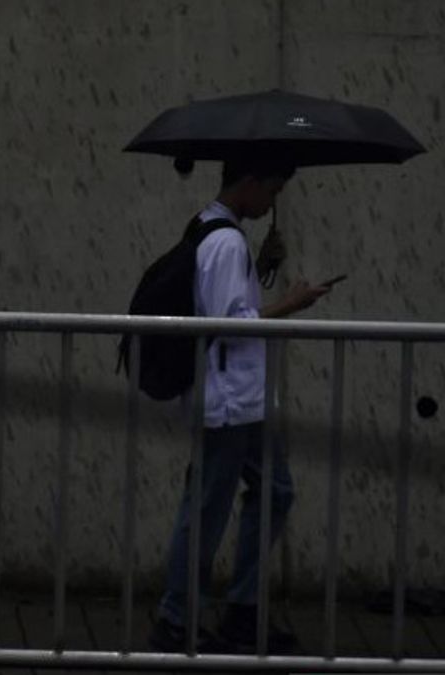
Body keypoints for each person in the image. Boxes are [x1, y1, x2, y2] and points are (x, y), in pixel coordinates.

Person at [147, 157, 331, 654]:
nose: (272, 202)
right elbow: (233, 322)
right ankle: (176, 618)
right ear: (249, 184)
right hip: (228, 398)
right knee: (208, 507)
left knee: (274, 491)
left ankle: (242, 612)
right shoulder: (226, 241)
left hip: (241, 398)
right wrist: (291, 302)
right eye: (271, 190)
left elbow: (227, 303)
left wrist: (264, 267)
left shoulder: (210, 226)